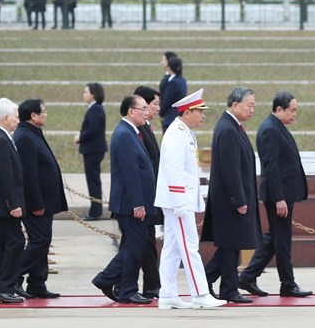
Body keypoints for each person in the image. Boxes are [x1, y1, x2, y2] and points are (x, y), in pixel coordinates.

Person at [154, 89, 225, 309]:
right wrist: (181, 203)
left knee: (173, 248)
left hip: (178, 201)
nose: (203, 116)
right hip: (177, 202)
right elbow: (173, 170)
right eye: (199, 112)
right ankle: (200, 293)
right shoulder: (176, 133)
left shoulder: (183, 131)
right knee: (189, 245)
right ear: (187, 112)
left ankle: (167, 294)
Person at [238, 91, 312, 298]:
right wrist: (279, 198)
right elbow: (270, 168)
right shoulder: (270, 129)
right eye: (292, 110)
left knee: (274, 238)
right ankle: (287, 283)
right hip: (278, 196)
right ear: (279, 109)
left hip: (283, 194)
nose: (295, 114)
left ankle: (247, 277)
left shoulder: (276, 127)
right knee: (282, 240)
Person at [92, 94, 156, 305]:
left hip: (135, 203)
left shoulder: (131, 132)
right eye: (143, 109)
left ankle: (119, 285)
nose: (147, 113)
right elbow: (131, 173)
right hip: (131, 205)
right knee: (133, 248)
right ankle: (115, 283)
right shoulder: (125, 134)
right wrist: (138, 203)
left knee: (133, 247)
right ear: (131, 111)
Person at [201, 86, 260, 304]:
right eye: (249, 105)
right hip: (230, 201)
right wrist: (239, 200)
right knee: (230, 245)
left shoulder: (233, 126)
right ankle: (227, 288)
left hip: (233, 199)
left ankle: (213, 282)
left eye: (254, 105)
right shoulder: (227, 129)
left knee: (231, 245)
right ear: (235, 105)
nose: (252, 110)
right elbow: (230, 169)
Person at [14, 98, 67, 299]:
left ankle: (37, 283)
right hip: (37, 203)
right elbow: (28, 175)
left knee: (43, 241)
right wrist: (36, 203)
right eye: (43, 111)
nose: (46, 114)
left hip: (46, 200)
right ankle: (14, 275)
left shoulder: (32, 132)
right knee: (40, 240)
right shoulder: (25, 137)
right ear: (33, 115)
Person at [0, 98, 25, 304]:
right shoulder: (0, 139)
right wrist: (14, 204)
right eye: (16, 117)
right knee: (16, 242)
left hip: (0, 205)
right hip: (4, 206)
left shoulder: (0, 136)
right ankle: (4, 287)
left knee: (2, 246)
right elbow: (5, 176)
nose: (18, 121)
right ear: (7, 117)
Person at [133, 85, 162, 299]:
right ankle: (151, 284)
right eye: (154, 104)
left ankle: (150, 284)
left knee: (142, 242)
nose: (157, 108)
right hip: (143, 197)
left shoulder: (146, 128)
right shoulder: (137, 131)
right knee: (140, 243)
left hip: (150, 195)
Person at [74, 82, 107, 221]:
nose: (84, 94)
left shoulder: (96, 109)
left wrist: (80, 137)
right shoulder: (95, 109)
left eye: (86, 92)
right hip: (93, 149)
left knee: (93, 181)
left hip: (93, 150)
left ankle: (95, 211)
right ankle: (95, 209)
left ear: (93, 94)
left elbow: (93, 130)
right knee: (93, 180)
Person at [159, 56, 187, 132]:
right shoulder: (182, 80)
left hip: (170, 118)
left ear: (169, 67)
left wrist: (161, 113)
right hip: (179, 116)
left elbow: (167, 101)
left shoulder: (173, 82)